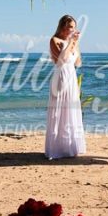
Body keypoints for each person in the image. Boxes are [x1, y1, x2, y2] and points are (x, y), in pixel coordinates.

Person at [45, 15, 87, 159]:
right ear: (63, 27)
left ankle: (70, 147)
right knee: (59, 111)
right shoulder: (54, 40)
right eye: (70, 27)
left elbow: (78, 63)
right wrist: (71, 42)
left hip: (71, 77)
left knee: (70, 111)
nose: (72, 29)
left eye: (74, 27)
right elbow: (61, 59)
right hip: (60, 77)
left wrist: (76, 44)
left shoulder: (72, 42)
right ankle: (56, 149)